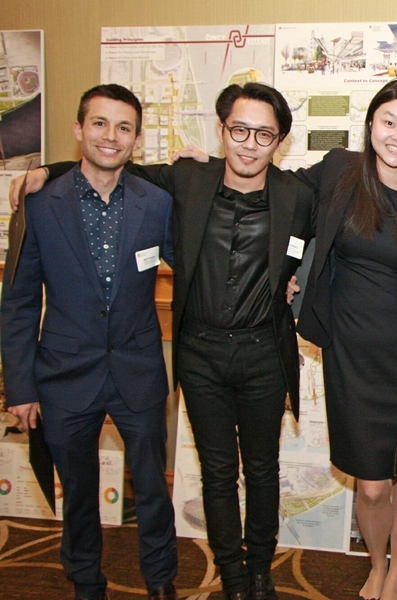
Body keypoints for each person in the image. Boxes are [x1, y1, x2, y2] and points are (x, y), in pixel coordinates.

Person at [15, 82, 315, 600]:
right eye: (239, 129)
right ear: (222, 131)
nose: (249, 143)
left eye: (263, 133)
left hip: (263, 351)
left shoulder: (298, 195)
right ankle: (233, 575)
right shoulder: (187, 180)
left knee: (263, 469)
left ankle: (258, 572)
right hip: (198, 354)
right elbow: (110, 164)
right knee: (217, 472)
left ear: (279, 140)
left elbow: (334, 233)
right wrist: (50, 170)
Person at [1, 84, 177, 600]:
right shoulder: (39, 203)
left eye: (124, 127)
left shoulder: (158, 203)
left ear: (136, 139)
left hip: (137, 369)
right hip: (63, 375)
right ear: (79, 129)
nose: (110, 136)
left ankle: (161, 582)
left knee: (152, 492)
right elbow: (18, 302)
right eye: (99, 123)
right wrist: (21, 386)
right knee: (77, 493)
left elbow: (195, 266)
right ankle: (85, 584)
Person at [295, 79, 397, 600]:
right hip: (349, 356)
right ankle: (375, 560)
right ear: (370, 125)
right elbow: (277, 195)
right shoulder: (340, 172)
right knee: (370, 482)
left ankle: (395, 573)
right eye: (389, 122)